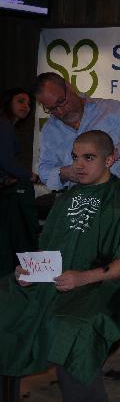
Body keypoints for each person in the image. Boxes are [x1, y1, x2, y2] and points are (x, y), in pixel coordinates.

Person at [0, 130, 120, 402]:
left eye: (89, 158)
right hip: (53, 282)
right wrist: (31, 271)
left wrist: (83, 278)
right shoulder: (66, 199)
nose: (78, 165)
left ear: (109, 160)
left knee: (72, 330)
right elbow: (48, 246)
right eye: (75, 157)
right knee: (5, 306)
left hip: (100, 288)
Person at [34, 71, 120, 366]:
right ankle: (73, 340)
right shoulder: (51, 131)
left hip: (116, 212)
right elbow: (45, 170)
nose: (59, 111)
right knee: (75, 277)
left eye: (61, 102)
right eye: (51, 108)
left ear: (70, 87)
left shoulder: (110, 110)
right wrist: (65, 172)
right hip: (79, 214)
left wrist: (114, 154)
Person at [0, 88, 39, 278]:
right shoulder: (5, 126)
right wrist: (30, 176)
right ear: (8, 102)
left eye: (29, 104)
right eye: (20, 101)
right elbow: (7, 162)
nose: (26, 107)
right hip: (10, 195)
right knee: (19, 239)